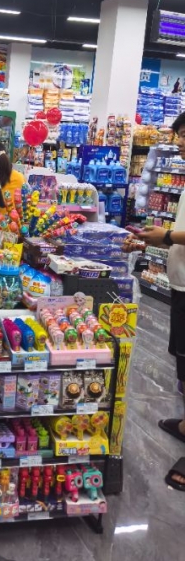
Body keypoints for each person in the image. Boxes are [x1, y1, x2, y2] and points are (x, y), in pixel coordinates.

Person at [124, 110, 185, 490]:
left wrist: (163, 237)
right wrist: (152, 241)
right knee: (182, 360)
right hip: (181, 284)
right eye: (178, 135)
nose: (179, 141)